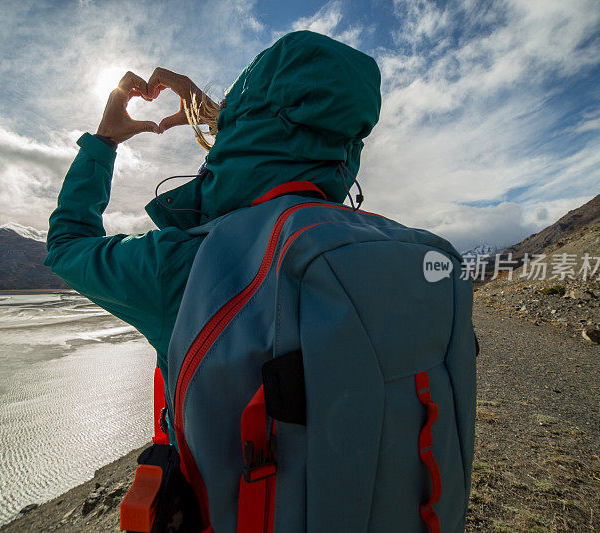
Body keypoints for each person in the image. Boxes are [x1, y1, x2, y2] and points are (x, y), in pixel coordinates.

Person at [45, 30, 381, 444]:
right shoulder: (373, 248)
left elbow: (66, 244)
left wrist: (104, 141)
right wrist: (225, 115)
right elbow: (296, 143)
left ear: (241, 128)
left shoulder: (186, 268)